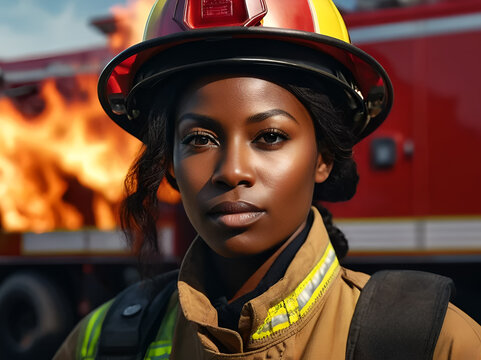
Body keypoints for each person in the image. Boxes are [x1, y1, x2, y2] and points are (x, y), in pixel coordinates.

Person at [54, 0, 481, 359]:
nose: (232, 171)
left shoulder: (435, 342)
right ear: (170, 165)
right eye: (199, 139)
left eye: (270, 136)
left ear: (323, 158)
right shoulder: (97, 344)